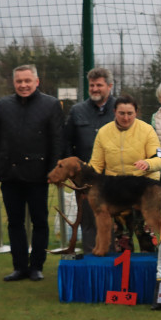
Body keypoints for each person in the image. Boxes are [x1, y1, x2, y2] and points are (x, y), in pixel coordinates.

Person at [0, 65, 64, 282]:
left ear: (37, 82)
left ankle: (37, 266)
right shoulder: (3, 105)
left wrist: (54, 171)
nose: (23, 85)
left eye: (27, 81)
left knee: (40, 222)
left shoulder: (50, 105)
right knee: (14, 222)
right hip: (9, 174)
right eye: (19, 81)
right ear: (14, 82)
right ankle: (19, 267)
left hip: (39, 174)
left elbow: (57, 141)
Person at [89, 94, 161, 251]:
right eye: (121, 113)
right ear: (114, 112)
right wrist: (85, 178)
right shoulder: (103, 132)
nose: (126, 118)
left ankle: (151, 267)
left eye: (130, 113)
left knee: (146, 237)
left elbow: (160, 159)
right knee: (122, 240)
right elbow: (96, 164)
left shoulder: (147, 130)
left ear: (136, 112)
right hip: (116, 192)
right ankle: (123, 271)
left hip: (144, 190)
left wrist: (147, 163)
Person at [62, 66, 116, 252]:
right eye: (92, 85)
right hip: (85, 180)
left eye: (99, 85)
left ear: (109, 86)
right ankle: (91, 261)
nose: (94, 89)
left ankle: (113, 260)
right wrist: (72, 171)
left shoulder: (120, 110)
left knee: (114, 221)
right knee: (88, 221)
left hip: (113, 178)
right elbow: (67, 142)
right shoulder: (77, 111)